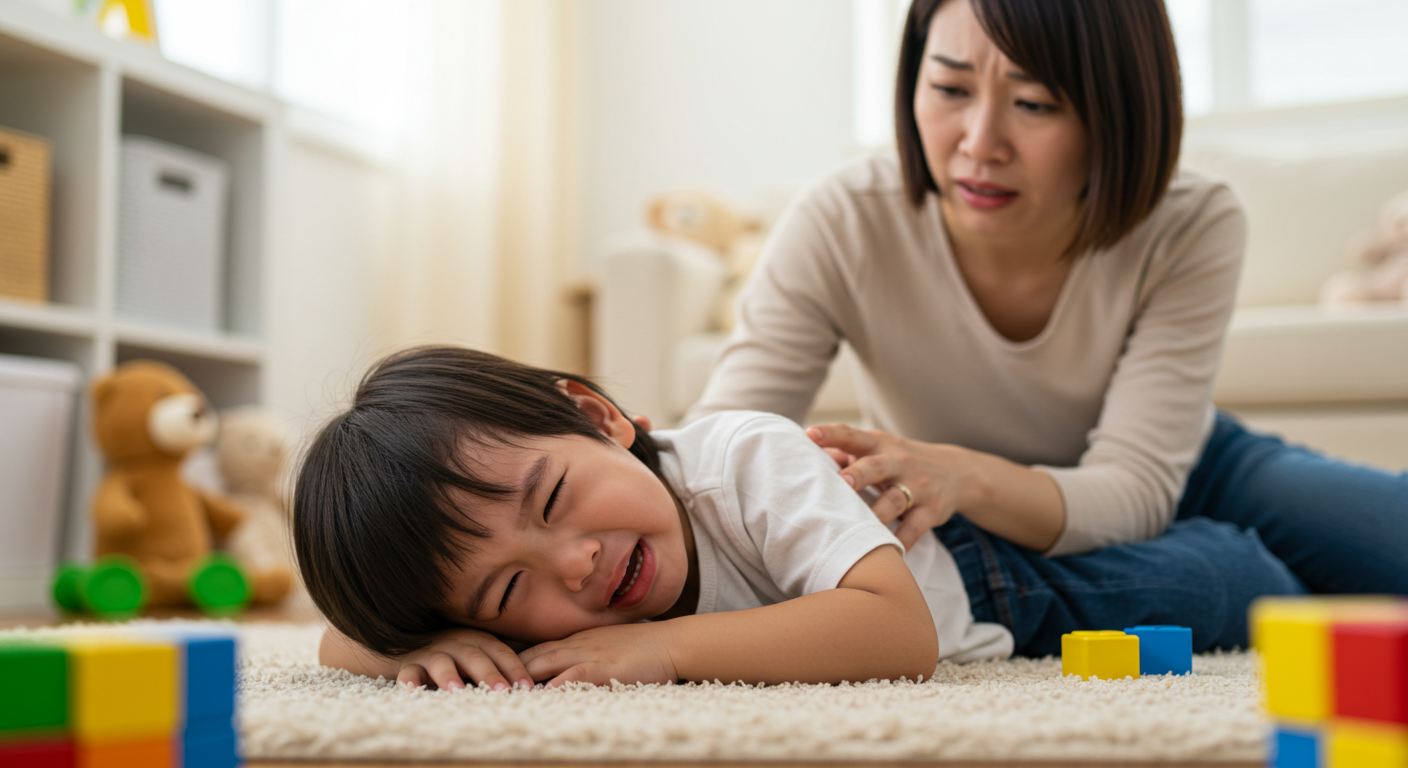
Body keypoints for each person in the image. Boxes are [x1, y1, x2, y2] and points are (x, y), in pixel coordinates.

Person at [686, 0, 1408, 658]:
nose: (980, 142)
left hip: (1181, 468)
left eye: (1033, 102)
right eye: (949, 89)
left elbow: (1135, 488)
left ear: (1116, 111)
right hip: (979, 520)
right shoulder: (843, 218)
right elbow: (722, 438)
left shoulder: (1191, 220)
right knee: (1247, 585)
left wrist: (963, 471)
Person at [292, 345, 1297, 690]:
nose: (578, 564)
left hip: (989, 580)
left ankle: (1238, 503)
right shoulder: (527, 614)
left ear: (598, 418)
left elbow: (895, 635)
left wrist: (664, 651)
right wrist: (428, 648)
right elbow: (343, 644)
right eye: (509, 590)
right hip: (950, 586)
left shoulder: (740, 459)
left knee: (1214, 589)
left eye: (553, 500)